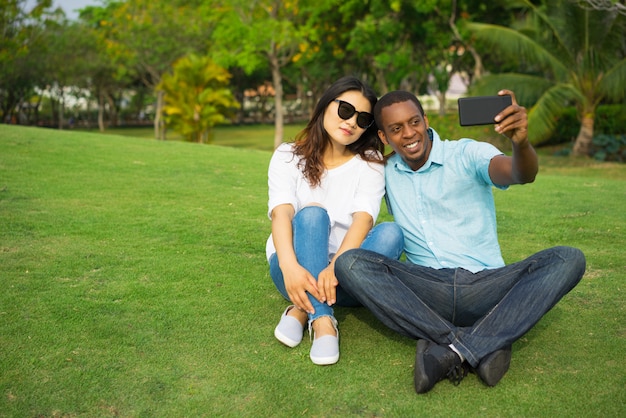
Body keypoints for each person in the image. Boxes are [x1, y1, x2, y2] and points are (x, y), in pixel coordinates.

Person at [334, 89, 586, 391]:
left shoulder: (467, 153)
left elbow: (520, 172)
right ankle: (481, 342)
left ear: (426, 121)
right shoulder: (383, 172)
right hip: (428, 289)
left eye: (414, 122)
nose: (409, 134)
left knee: (567, 258)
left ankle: (450, 350)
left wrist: (520, 142)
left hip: (487, 285)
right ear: (384, 137)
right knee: (350, 264)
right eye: (396, 129)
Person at [266, 76, 404, 366]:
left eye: (363, 118)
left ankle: (301, 311)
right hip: (292, 267)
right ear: (326, 105)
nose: (351, 122)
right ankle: (324, 322)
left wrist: (335, 266)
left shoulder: (370, 161)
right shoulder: (287, 156)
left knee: (392, 234)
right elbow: (281, 213)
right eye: (345, 110)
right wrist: (290, 268)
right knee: (313, 213)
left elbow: (364, 220)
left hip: (343, 274)